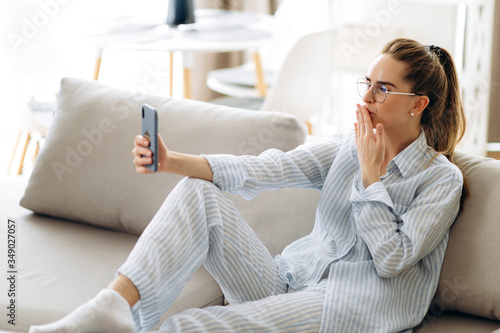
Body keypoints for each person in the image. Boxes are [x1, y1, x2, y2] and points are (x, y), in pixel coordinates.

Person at [29, 38, 467, 333]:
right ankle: (109, 307)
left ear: (418, 105)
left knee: (195, 325)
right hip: (292, 281)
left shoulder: (440, 181)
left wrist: (372, 181)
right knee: (197, 193)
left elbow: (392, 260)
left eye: (382, 89)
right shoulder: (347, 147)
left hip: (352, 307)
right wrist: (171, 161)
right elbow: (270, 168)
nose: (366, 98)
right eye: (367, 84)